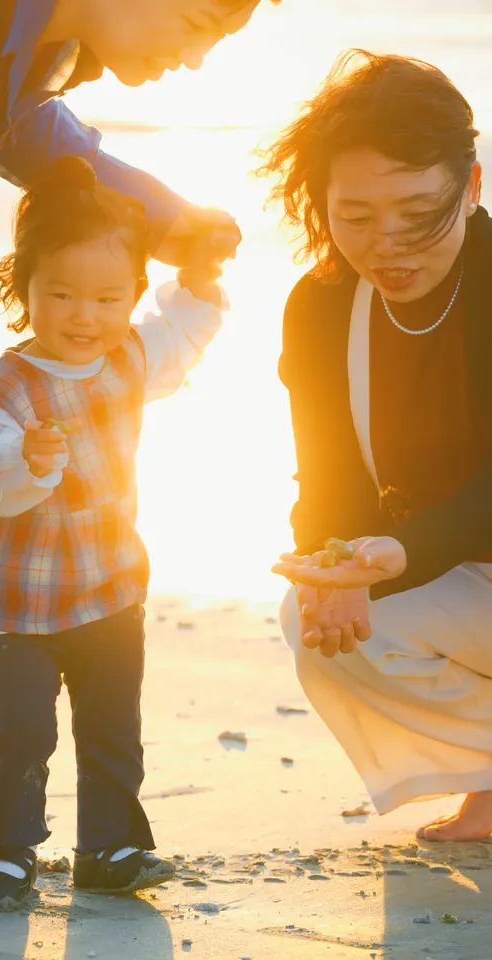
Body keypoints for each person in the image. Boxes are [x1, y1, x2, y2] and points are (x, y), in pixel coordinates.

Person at [0, 157, 225, 910]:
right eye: (60, 293)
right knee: (24, 729)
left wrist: (200, 279)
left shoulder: (129, 355)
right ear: (24, 288)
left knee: (112, 725)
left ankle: (109, 847)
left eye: (108, 297)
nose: (83, 315)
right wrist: (25, 459)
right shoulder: (5, 384)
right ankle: (6, 854)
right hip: (17, 596)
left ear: (132, 294)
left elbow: (180, 335)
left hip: (108, 583)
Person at [265, 51, 492, 842]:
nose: (388, 243)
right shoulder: (324, 303)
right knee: (321, 620)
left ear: (471, 185)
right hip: (464, 577)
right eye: (356, 216)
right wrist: (328, 561)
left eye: (418, 211)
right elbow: (325, 473)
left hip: (449, 557)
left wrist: (398, 553)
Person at [0, 0, 275, 274]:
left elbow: (6, 122)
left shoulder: (44, 42)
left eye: (216, 39)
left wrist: (156, 212)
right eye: (194, 24)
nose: (196, 58)